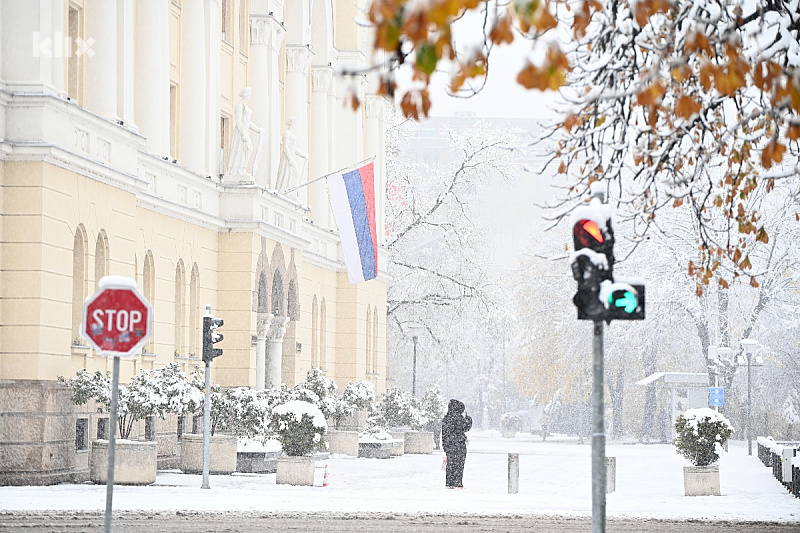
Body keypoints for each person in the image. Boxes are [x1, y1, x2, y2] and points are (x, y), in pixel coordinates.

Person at [226, 87, 263, 179]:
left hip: (244, 131)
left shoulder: (245, 106)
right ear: (245, 94)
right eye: (249, 93)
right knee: (244, 150)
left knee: (247, 150)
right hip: (240, 132)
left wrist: (258, 130)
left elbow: (248, 122)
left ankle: (242, 169)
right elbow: (238, 121)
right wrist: (242, 133)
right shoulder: (239, 106)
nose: (250, 95)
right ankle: (237, 170)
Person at [441, 399, 472, 489]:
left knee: (450, 464)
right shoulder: (458, 418)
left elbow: (445, 433)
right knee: (459, 464)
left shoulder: (446, 418)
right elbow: (465, 427)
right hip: (458, 445)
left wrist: (446, 445)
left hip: (449, 445)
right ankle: (457, 482)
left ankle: (449, 482)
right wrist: (468, 419)